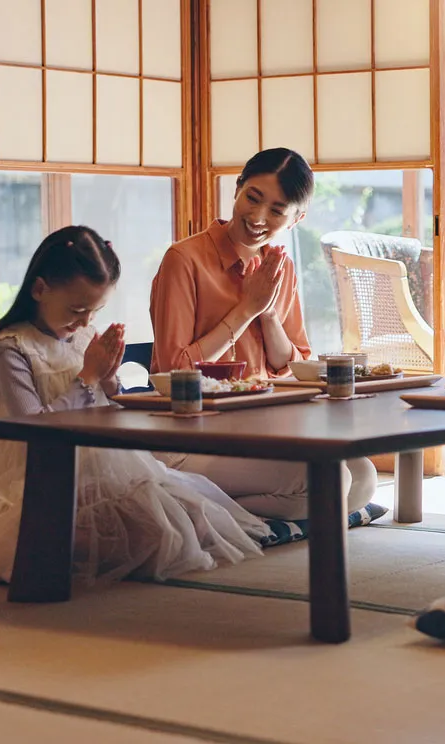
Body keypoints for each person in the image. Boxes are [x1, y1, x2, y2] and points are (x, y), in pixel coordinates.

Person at [0, 226, 271, 583]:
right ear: (40, 289)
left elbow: (107, 402)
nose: (85, 321)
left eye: (94, 311)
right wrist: (88, 377)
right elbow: (33, 427)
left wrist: (108, 377)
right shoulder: (11, 346)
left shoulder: (83, 334)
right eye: (76, 310)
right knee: (137, 539)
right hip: (39, 477)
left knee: (190, 520)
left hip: (104, 467)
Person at [149, 148, 377, 520]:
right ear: (237, 189)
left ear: (296, 218)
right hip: (192, 437)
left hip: (260, 429)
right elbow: (174, 371)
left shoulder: (278, 267)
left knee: (364, 476)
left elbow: (296, 364)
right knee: (330, 480)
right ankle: (198, 511)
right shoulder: (184, 260)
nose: (257, 217)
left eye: (276, 210)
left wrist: (269, 315)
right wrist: (246, 310)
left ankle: (212, 512)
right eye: (252, 198)